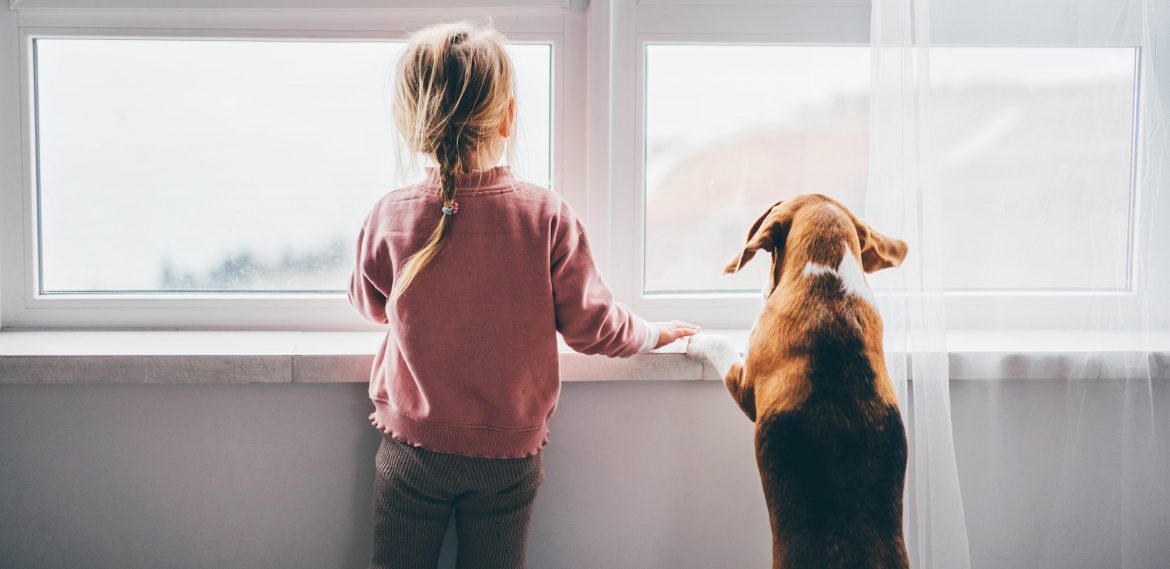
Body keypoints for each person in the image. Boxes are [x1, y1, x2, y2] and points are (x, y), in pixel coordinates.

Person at [347, 21, 699, 569]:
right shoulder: (544, 215)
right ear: (508, 115)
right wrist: (653, 332)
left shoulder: (389, 214)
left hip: (412, 449)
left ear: (413, 121)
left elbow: (369, 305)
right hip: (506, 456)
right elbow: (594, 326)